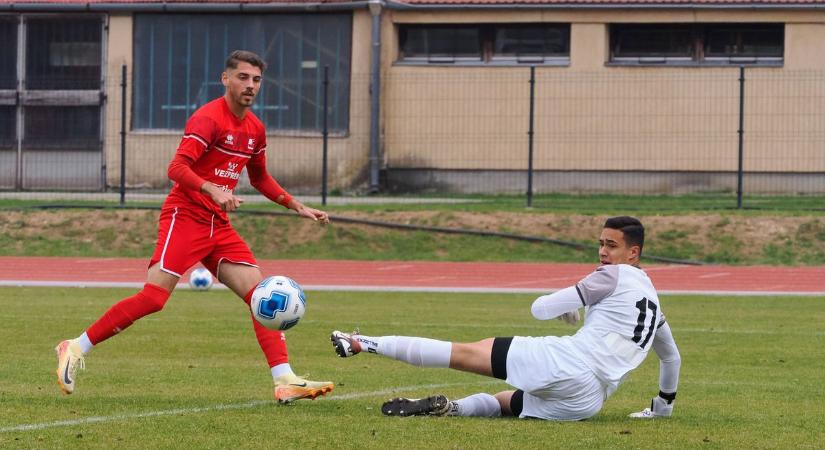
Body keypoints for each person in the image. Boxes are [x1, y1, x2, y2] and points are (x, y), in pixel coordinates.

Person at [55, 50, 334, 403]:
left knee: (261, 297)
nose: (251, 86)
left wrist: (296, 205)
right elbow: (176, 168)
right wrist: (210, 188)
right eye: (244, 77)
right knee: (154, 299)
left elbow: (260, 177)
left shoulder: (254, 129)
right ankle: (75, 347)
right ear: (226, 79)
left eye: (257, 80)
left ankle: (285, 380)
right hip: (185, 216)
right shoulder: (208, 119)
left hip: (218, 224)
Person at [331, 216, 681, 420]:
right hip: (588, 401)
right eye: (601, 243)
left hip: (568, 363)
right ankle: (452, 408)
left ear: (633, 253)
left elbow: (539, 308)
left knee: (465, 352)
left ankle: (363, 343)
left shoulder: (610, 275)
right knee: (503, 401)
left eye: (612, 246)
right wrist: (662, 409)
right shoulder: (652, 299)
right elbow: (671, 357)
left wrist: (564, 303)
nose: (603, 251)